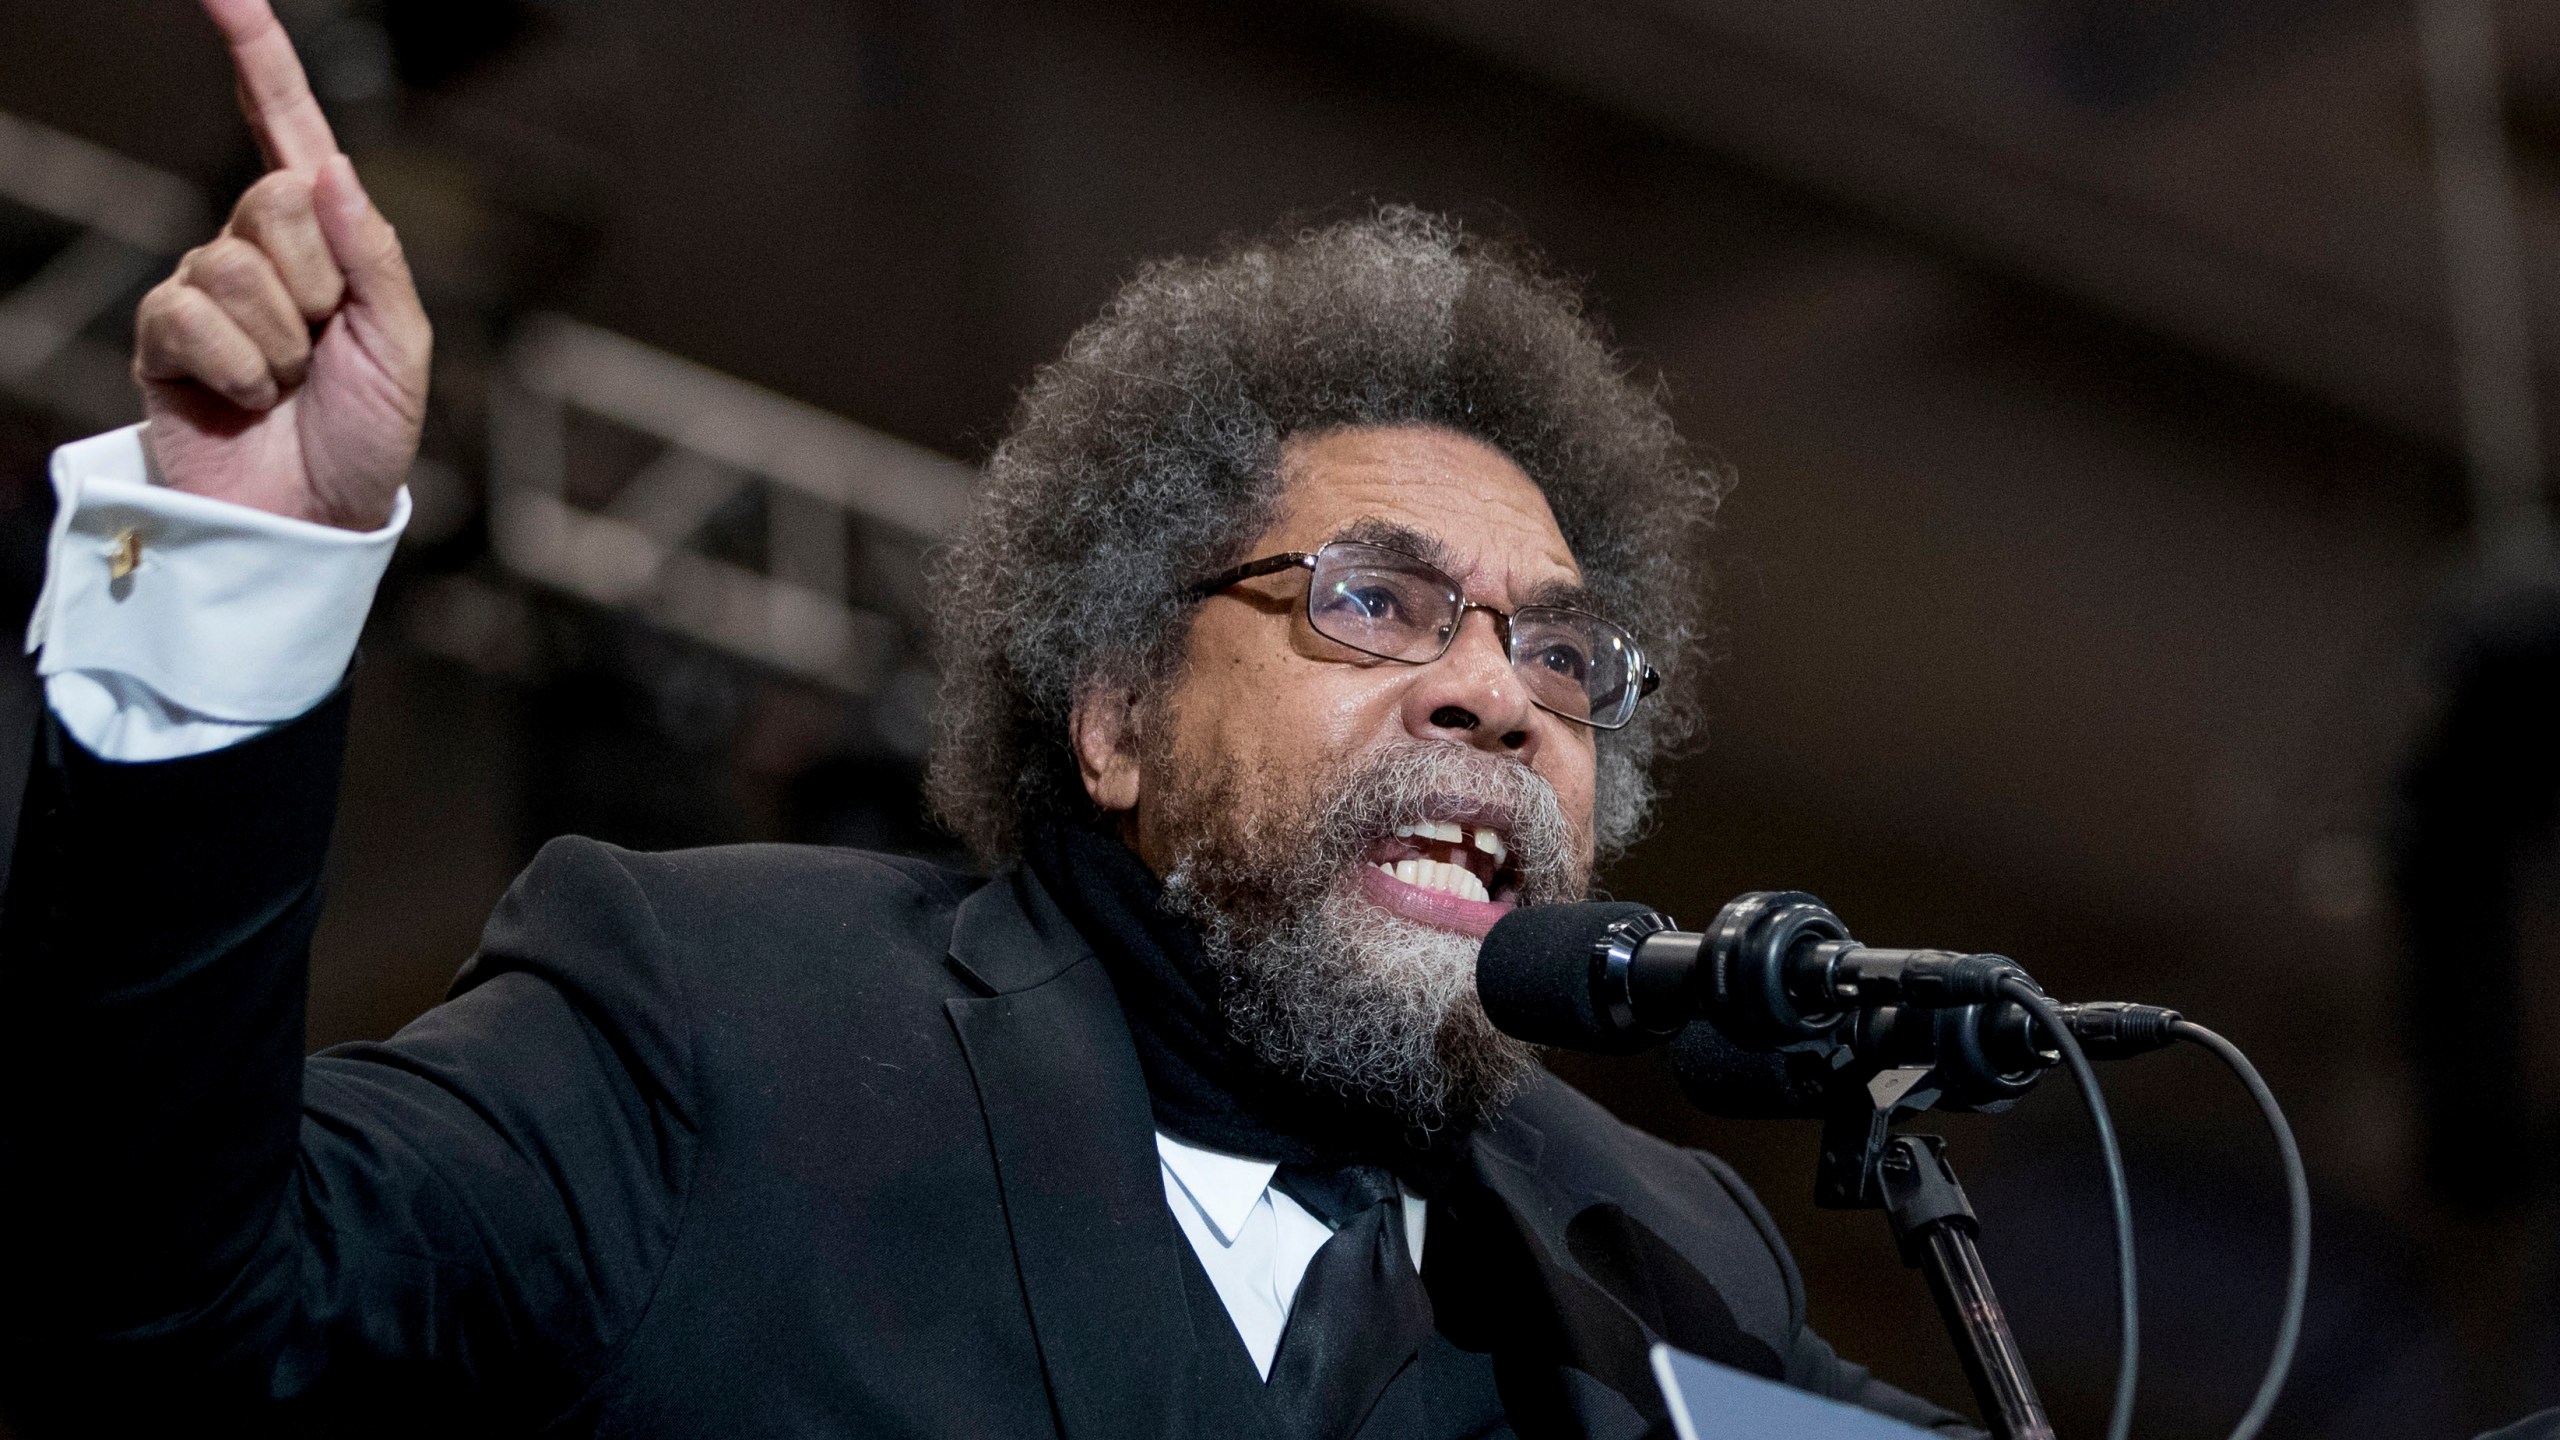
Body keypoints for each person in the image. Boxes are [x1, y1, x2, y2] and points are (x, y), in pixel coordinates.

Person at [0, 3, 1976, 1436]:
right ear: (1112, 712)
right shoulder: (721, 1024)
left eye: (1558, 656)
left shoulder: (1655, 1255)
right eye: (1376, 602)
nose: (1492, 688)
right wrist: (220, 578)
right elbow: (150, 1316)